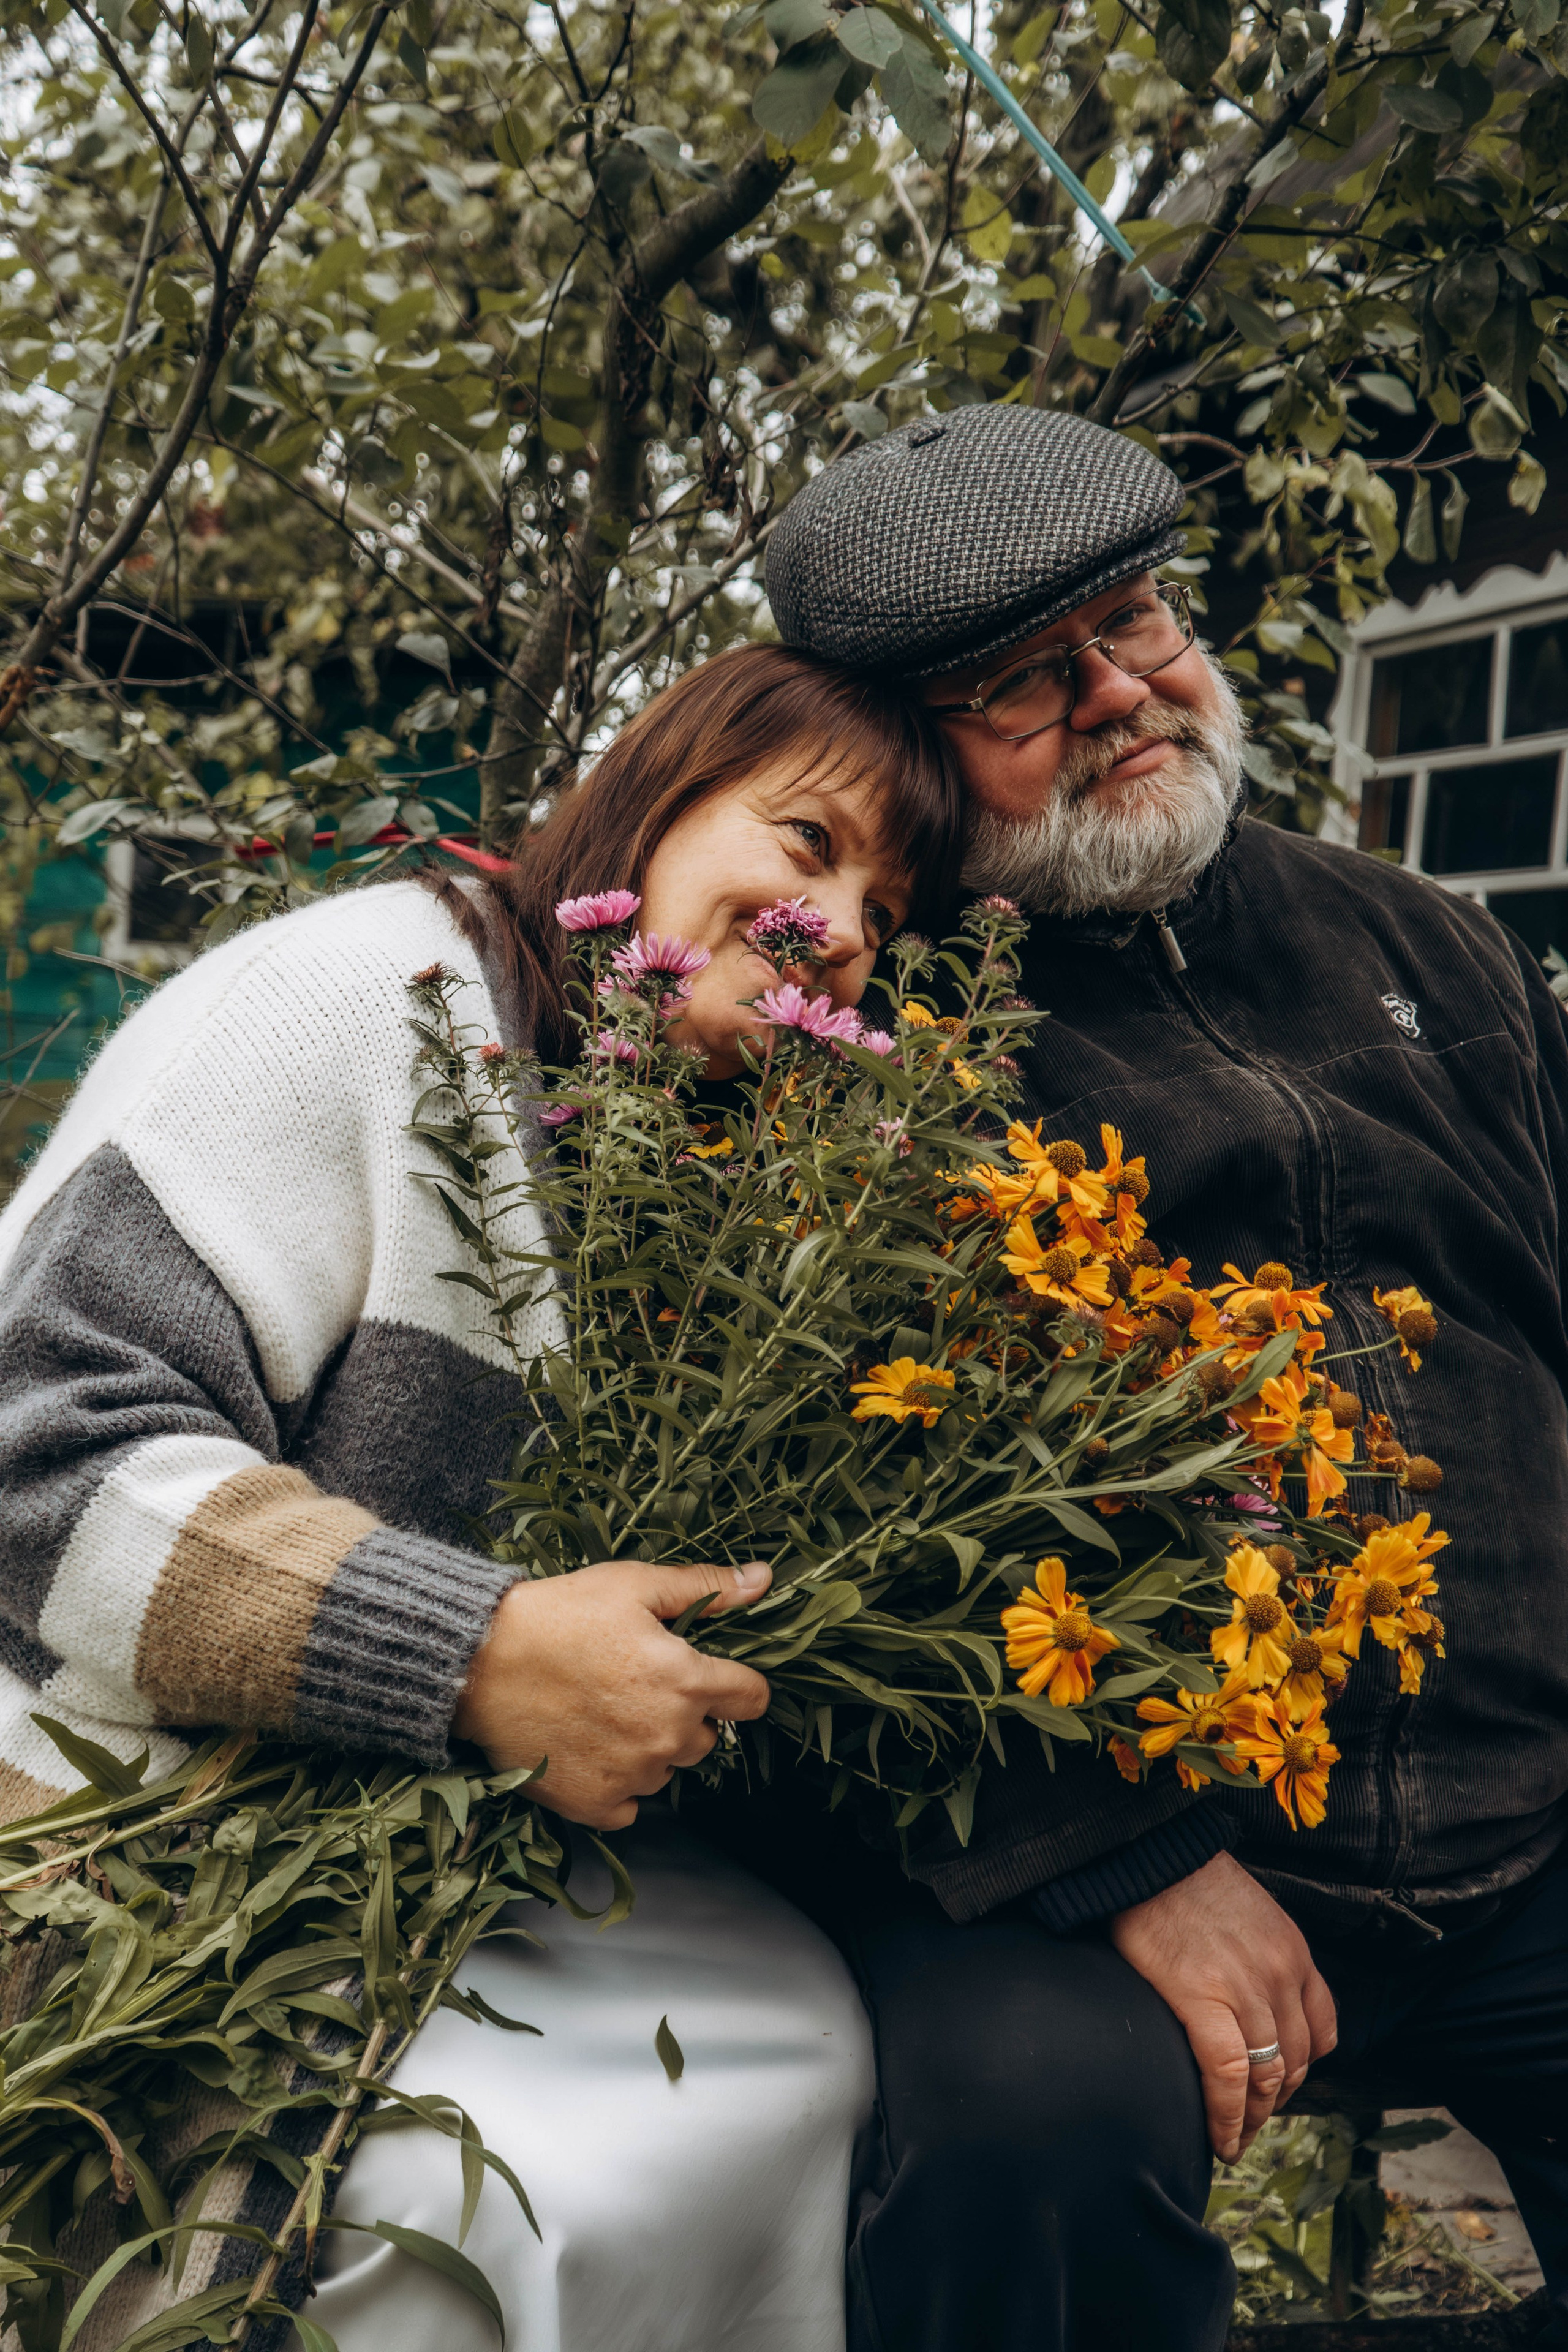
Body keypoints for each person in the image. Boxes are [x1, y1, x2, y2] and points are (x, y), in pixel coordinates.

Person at [0, 644, 962, 2352]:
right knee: (521, 2180)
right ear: (655, 795)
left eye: (883, 907)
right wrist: (470, 1652)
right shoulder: (356, 997)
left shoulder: (689, 1154)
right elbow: (38, 1454)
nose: (842, 926)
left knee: (807, 2046)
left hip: (441, 1837)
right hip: (109, 1803)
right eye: (807, 845)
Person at [760, 401, 1568, 2351]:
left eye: (1142, 626)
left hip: (1527, 1808)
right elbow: (804, 1541)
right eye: (1028, 681)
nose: (1122, 693)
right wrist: (1121, 1859)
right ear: (901, 748)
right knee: (1019, 2137)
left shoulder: (1421, 939)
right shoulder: (866, 1017)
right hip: (1097, 1858)